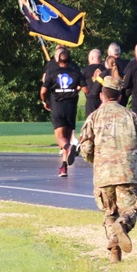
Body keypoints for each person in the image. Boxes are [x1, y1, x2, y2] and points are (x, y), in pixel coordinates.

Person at [78, 75, 137, 263]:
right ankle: (123, 225)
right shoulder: (131, 116)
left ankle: (114, 250)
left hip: (103, 176)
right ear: (120, 97)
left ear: (102, 96)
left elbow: (85, 147)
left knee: (108, 213)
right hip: (127, 172)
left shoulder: (93, 117)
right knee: (130, 209)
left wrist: (96, 162)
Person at [40, 47, 88, 178]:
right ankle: (64, 166)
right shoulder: (76, 73)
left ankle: (68, 147)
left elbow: (43, 91)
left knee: (60, 138)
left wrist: (45, 102)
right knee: (66, 135)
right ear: (69, 60)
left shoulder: (52, 73)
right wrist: (75, 91)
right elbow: (86, 90)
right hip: (71, 107)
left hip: (58, 106)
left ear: (57, 60)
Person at [82, 48, 105, 118]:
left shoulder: (85, 70)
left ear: (91, 58)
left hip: (91, 101)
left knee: (90, 122)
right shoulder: (105, 69)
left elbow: (80, 84)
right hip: (104, 100)